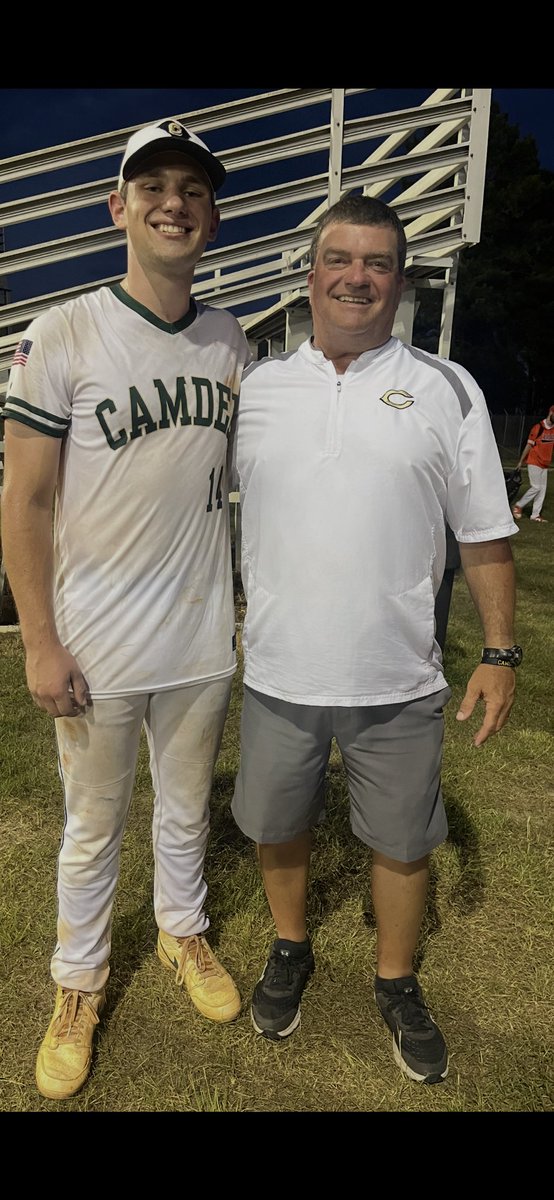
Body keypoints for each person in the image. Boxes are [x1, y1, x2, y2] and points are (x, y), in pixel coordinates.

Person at [230, 194, 521, 1085]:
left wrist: (500, 652)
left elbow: (483, 534)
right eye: (340, 259)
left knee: (401, 841)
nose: (357, 277)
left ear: (400, 279)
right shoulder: (256, 388)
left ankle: (396, 981)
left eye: (378, 263)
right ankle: (290, 947)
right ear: (309, 273)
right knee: (278, 826)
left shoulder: (446, 386)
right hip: (278, 668)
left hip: (398, 675)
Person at [1, 118, 250, 1101]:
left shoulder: (232, 339)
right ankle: (77, 985)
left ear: (213, 217)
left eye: (191, 188)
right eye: (151, 186)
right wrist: (40, 640)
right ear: (118, 209)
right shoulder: (62, 330)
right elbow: (21, 497)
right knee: (93, 825)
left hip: (197, 634)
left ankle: (181, 931)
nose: (172, 202)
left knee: (187, 810)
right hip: (94, 642)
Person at [512, 404, 554, 523]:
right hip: (534, 461)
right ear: (551, 413)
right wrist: (521, 461)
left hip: (545, 463)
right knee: (536, 487)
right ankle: (519, 505)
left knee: (542, 490)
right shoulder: (538, 428)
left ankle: (535, 515)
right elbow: (529, 445)